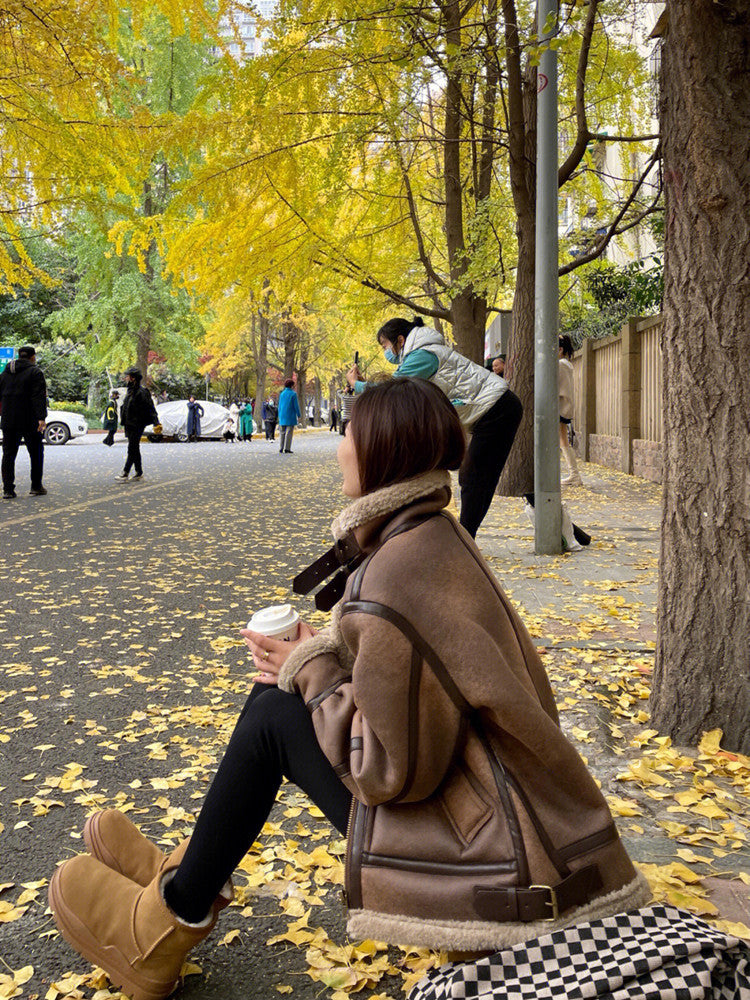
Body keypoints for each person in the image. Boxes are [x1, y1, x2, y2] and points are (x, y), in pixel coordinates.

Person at [47, 378, 649, 1000]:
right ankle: (192, 875)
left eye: (350, 434)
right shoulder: (434, 535)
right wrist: (322, 653)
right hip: (520, 802)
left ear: (380, 451)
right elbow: (423, 682)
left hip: (499, 844)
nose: (340, 448)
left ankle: (160, 929)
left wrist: (312, 664)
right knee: (276, 700)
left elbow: (387, 771)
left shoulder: (392, 574)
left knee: (274, 715)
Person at [348, 316, 523, 538]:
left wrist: (358, 385)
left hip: (497, 409)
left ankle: (464, 540)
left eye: (385, 346)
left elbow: (393, 390)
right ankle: (557, 520)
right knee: (476, 473)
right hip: (490, 410)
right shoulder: (422, 352)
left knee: (474, 477)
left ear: (400, 340)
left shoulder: (423, 354)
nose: (386, 352)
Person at [0, 345, 47, 499]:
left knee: (8, 454)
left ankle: (8, 489)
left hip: (8, 420)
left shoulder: (4, 374)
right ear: (32, 357)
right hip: (29, 420)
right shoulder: (35, 372)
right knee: (36, 453)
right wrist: (41, 418)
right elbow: (38, 396)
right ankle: (36, 486)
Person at [116, 368, 158, 482]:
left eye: (128, 376)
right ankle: (139, 472)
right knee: (134, 448)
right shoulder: (130, 391)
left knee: (132, 447)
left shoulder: (142, 392)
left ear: (133, 378)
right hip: (129, 424)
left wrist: (156, 422)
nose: (126, 378)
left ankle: (125, 472)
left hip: (137, 424)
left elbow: (150, 407)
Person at [558, 335, 582, 487]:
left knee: (562, 440)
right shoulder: (565, 364)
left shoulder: (561, 365)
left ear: (560, 349)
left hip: (560, 406)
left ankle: (574, 474)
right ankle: (574, 474)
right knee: (562, 440)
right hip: (562, 405)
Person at [277, 379, 300, 454]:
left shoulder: (282, 394)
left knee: (282, 432)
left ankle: (281, 447)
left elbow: (279, 405)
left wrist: (279, 414)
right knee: (289, 432)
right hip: (290, 414)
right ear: (292, 385)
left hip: (282, 415)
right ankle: (287, 448)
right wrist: (299, 414)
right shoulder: (293, 394)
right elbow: (296, 405)